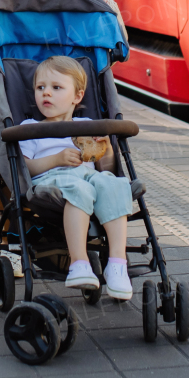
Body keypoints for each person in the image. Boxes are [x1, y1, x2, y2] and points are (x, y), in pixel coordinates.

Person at [18, 56, 132, 300]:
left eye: (56, 88)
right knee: (79, 188)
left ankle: (117, 263)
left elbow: (107, 168)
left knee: (115, 184)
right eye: (41, 88)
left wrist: (107, 150)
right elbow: (24, 168)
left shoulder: (87, 125)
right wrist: (56, 160)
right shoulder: (30, 128)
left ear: (77, 96)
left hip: (89, 177)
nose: (46, 93)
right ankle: (79, 263)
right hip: (52, 181)